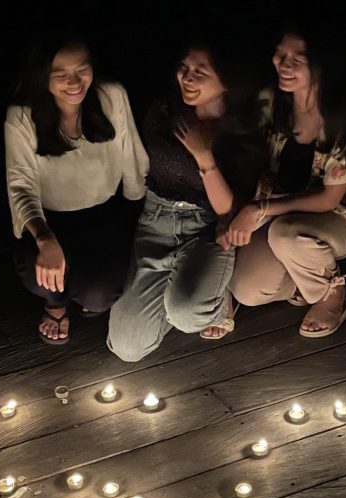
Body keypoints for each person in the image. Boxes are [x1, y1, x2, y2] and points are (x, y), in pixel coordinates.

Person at [107, 38, 263, 361]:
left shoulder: (241, 132)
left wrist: (205, 156)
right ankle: (185, 292)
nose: (186, 78)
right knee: (127, 346)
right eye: (184, 68)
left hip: (208, 227)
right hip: (156, 222)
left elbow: (228, 210)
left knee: (189, 315)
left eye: (200, 72)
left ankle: (216, 297)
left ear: (227, 80)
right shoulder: (165, 112)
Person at [220, 25, 346, 338]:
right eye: (281, 53)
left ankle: (331, 293)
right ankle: (305, 278)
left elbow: (328, 199)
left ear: (323, 63)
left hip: (342, 215)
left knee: (286, 234)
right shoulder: (272, 102)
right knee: (248, 291)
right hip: (279, 210)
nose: (284, 63)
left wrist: (259, 209)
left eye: (298, 58)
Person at [5, 34, 149, 345]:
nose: (75, 82)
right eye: (61, 74)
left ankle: (84, 293)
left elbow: (131, 154)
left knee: (99, 295)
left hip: (103, 216)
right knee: (45, 277)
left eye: (82, 70)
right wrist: (44, 237)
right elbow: (20, 184)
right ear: (42, 77)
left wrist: (140, 211)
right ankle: (55, 305)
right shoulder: (22, 116)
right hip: (48, 220)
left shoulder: (111, 96)